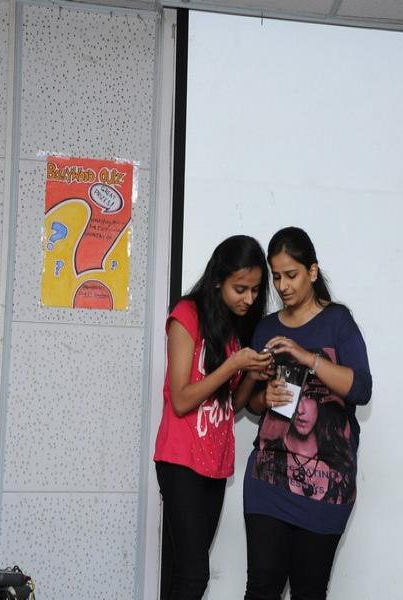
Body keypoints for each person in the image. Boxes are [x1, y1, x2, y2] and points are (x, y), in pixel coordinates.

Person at [240, 226, 372, 600]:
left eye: (291, 275)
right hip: (269, 477)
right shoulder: (266, 328)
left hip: (327, 484)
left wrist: (307, 357)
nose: (283, 286)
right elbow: (252, 403)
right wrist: (263, 398)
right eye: (276, 277)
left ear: (312, 272)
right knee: (261, 588)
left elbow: (361, 389)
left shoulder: (338, 321)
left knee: (309, 591)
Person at [153, 235, 274, 600]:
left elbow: (230, 406)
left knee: (184, 573)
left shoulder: (235, 328)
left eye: (255, 290)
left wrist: (251, 374)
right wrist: (233, 365)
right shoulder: (186, 315)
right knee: (194, 576)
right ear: (219, 279)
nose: (249, 299)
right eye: (241, 289)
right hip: (180, 460)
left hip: (215, 462)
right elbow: (181, 399)